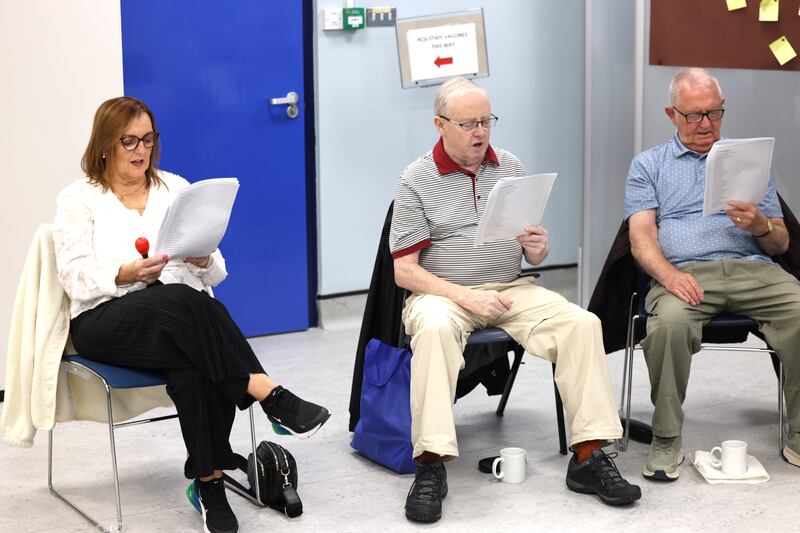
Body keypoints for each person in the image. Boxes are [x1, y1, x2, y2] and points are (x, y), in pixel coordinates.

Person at [53, 96, 330, 533]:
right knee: (183, 301)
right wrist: (124, 273)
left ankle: (209, 483)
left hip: (181, 325)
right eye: (129, 141)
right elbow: (72, 278)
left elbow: (216, 269)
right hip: (105, 321)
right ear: (105, 144)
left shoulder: (175, 188)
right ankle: (266, 391)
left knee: (191, 358)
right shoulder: (78, 199)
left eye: (148, 139)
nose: (140, 150)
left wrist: (204, 262)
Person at [390, 77, 641, 523]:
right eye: (468, 123)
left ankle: (588, 455)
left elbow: (529, 246)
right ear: (439, 124)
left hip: (510, 287)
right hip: (442, 293)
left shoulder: (510, 165)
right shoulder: (416, 178)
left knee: (582, 324)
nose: (480, 132)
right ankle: (430, 462)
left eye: (486, 121)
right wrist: (464, 295)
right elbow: (403, 270)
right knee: (432, 330)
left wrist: (537, 248)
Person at [625, 67, 800, 481]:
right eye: (693, 115)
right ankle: (667, 439)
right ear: (672, 114)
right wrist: (668, 277)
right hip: (684, 274)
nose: (705, 124)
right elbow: (641, 237)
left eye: (714, 113)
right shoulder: (649, 165)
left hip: (752, 270)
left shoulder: (750, 159)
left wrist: (761, 226)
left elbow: (779, 245)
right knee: (667, 325)